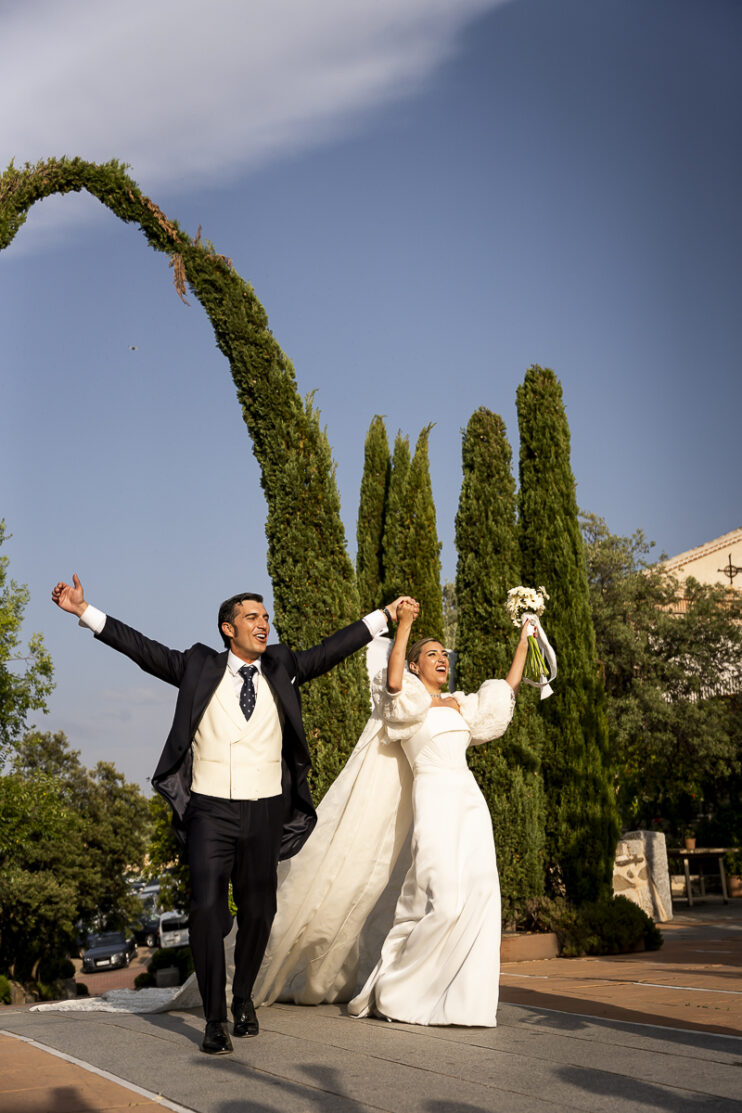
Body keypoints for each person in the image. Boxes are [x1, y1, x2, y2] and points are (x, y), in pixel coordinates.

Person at [51, 573, 416, 1053]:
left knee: (260, 912)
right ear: (229, 628)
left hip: (265, 810)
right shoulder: (199, 665)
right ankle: (215, 1019)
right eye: (252, 617)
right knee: (204, 909)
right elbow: (142, 649)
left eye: (265, 617)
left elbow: (332, 648)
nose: (263, 624)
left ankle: (242, 995)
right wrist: (85, 612)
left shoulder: (282, 664)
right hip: (209, 811)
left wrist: (385, 616)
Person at [252, 600, 532, 1027]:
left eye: (444, 654)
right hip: (434, 799)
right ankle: (397, 989)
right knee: (445, 898)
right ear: (418, 666)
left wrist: (525, 637)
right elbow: (395, 680)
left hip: (470, 804)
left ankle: (461, 1001)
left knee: (479, 894)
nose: (441, 659)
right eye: (431, 654)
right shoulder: (407, 706)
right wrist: (403, 626)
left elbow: (506, 691)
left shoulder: (461, 705)